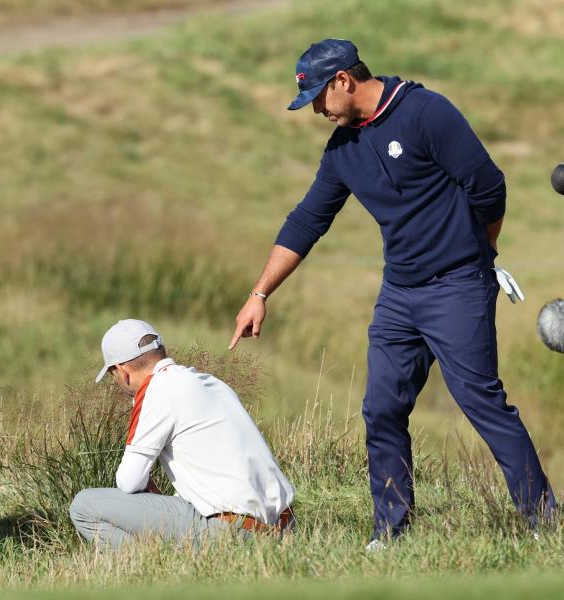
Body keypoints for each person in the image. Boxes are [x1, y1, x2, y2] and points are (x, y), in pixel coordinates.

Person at [227, 39, 556, 549]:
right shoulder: (343, 150)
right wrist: (260, 293)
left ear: (344, 81)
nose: (316, 109)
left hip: (457, 287)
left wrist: (478, 258)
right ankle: (392, 531)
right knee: (381, 408)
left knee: (481, 402)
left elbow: (489, 188)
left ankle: (544, 524)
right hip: (400, 294)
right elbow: (307, 220)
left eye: (318, 96)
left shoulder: (426, 113)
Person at [69, 319, 295, 548]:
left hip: (234, 534)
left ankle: (149, 570)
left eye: (112, 375)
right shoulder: (212, 383)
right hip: (283, 529)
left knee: (83, 506)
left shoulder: (157, 390)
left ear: (122, 371)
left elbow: (128, 481)